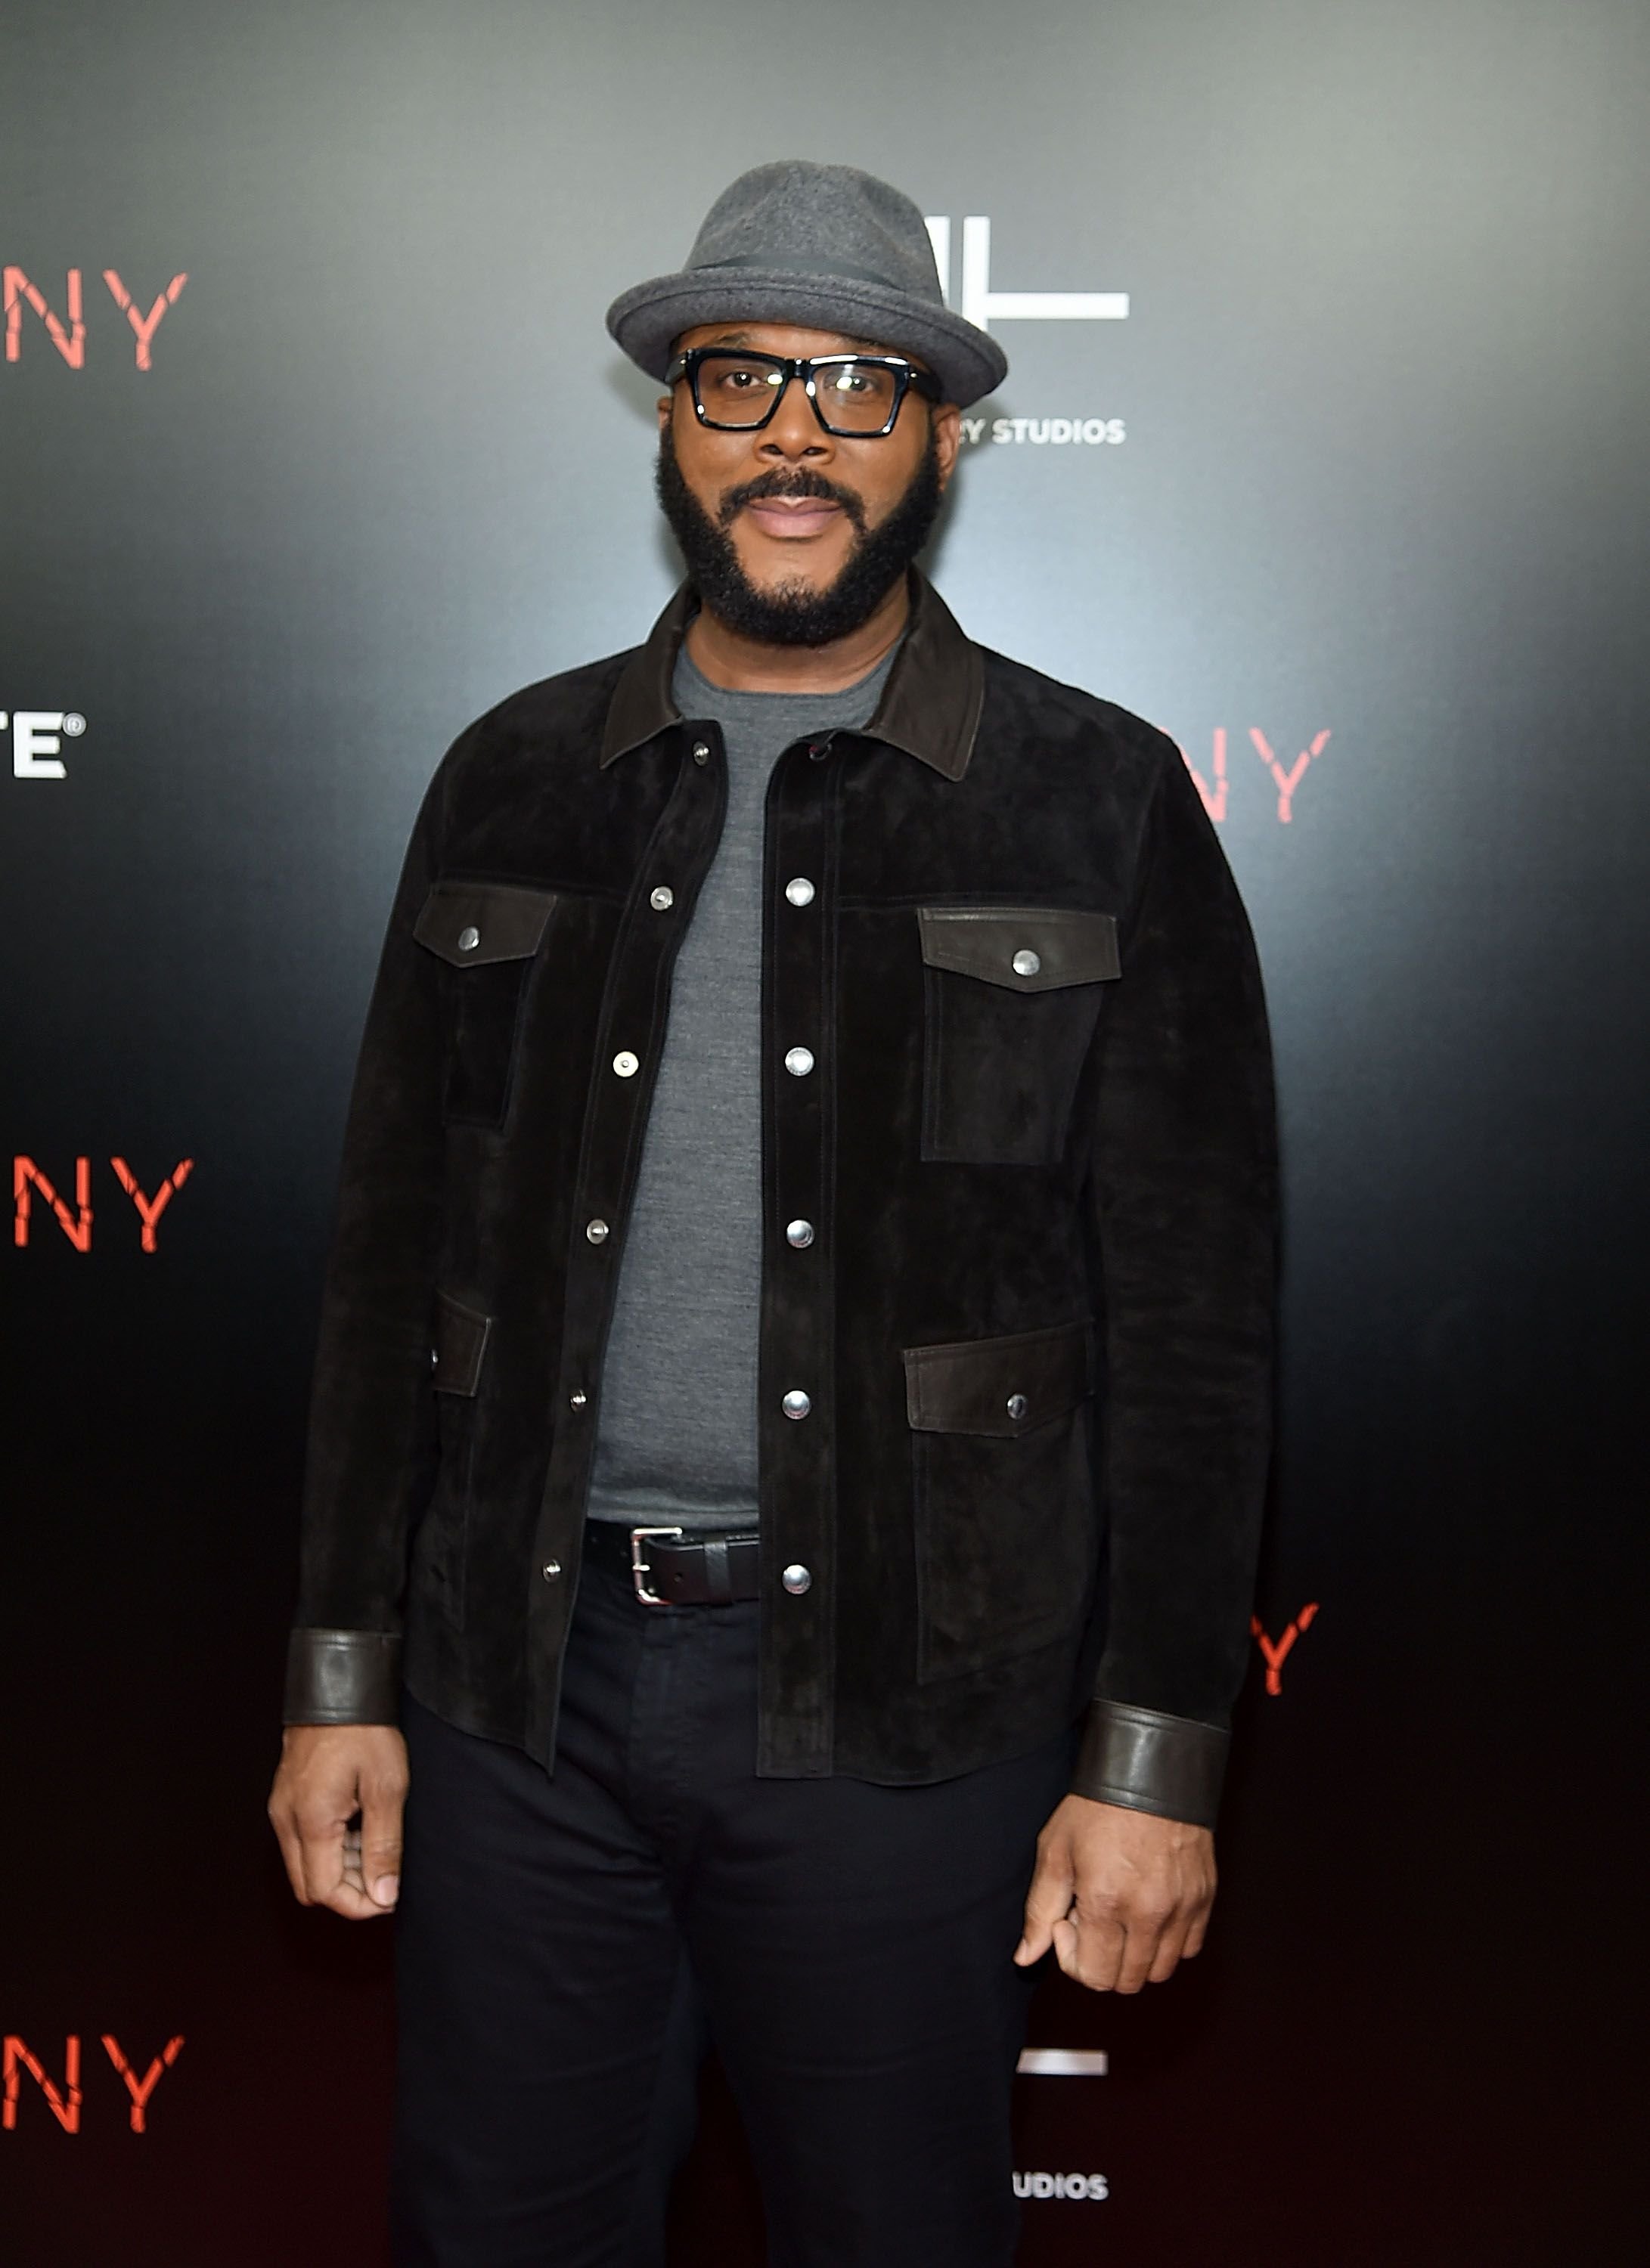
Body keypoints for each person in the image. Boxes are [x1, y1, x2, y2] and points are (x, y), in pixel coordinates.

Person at [267, 160, 1278, 2268]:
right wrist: (340, 1679)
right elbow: (383, 1265)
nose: (794, 436)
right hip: (514, 1694)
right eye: (741, 380)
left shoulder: (1095, 797)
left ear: (935, 433)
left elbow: (1192, 1325)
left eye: (857, 385)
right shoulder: (512, 777)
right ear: (672, 420)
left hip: (907, 1720)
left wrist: (1158, 1760)